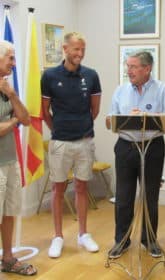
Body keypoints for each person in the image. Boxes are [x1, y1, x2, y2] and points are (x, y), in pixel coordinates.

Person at [106, 51, 165, 259]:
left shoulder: (163, 90)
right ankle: (121, 241)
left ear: (147, 69)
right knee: (123, 198)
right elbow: (109, 121)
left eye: (133, 66)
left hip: (152, 148)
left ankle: (150, 241)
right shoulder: (120, 91)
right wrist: (120, 119)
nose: (128, 71)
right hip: (125, 148)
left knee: (149, 197)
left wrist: (147, 117)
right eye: (127, 66)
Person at [41, 32, 101, 258]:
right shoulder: (49, 76)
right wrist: (58, 129)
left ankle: (83, 234)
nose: (80, 54)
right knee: (58, 189)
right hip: (60, 142)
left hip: (84, 140)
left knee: (82, 187)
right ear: (65, 49)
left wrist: (80, 126)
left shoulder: (91, 75)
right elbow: (44, 112)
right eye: (76, 49)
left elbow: (94, 110)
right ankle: (57, 236)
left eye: (83, 49)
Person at [0, 40, 37, 275]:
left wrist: (12, 95)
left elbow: (26, 119)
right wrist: (12, 121)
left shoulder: (7, 88)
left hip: (10, 161)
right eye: (10, 58)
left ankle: (8, 259)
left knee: (9, 212)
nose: (14, 62)